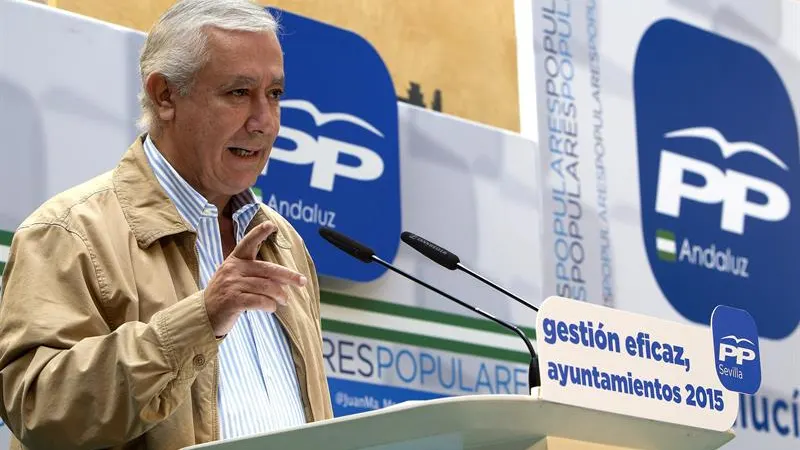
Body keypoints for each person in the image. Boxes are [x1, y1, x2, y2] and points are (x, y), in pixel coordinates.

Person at [0, 0, 333, 448]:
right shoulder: (67, 231)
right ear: (165, 95)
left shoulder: (284, 241)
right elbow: (39, 409)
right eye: (239, 93)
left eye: (274, 94)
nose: (265, 122)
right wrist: (200, 318)